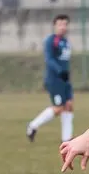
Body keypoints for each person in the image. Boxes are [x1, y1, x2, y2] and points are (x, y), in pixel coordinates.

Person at [26, 14, 74, 143]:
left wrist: (67, 75)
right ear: (54, 26)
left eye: (65, 24)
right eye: (60, 24)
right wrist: (60, 71)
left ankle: (67, 138)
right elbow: (49, 59)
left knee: (69, 105)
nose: (63, 27)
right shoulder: (51, 41)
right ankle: (32, 125)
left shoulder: (66, 42)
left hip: (65, 80)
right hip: (55, 80)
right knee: (59, 108)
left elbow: (65, 61)